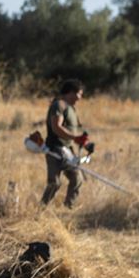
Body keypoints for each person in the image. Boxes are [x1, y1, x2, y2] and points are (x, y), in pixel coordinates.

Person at [41, 79, 90, 208]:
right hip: (55, 150)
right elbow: (56, 127)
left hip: (67, 150)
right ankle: (41, 210)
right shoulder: (59, 105)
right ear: (70, 92)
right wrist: (75, 138)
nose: (80, 98)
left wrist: (83, 142)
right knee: (55, 183)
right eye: (79, 94)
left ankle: (68, 208)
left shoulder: (71, 108)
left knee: (76, 179)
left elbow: (74, 130)